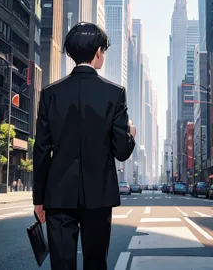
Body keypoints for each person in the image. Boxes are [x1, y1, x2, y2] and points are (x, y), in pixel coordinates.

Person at [33, 23, 136, 270]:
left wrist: (39, 199)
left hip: (57, 196)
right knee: (96, 263)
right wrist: (130, 133)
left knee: (61, 265)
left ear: (70, 54)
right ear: (98, 52)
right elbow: (122, 151)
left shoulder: (50, 94)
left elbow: (41, 150)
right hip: (99, 196)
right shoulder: (114, 93)